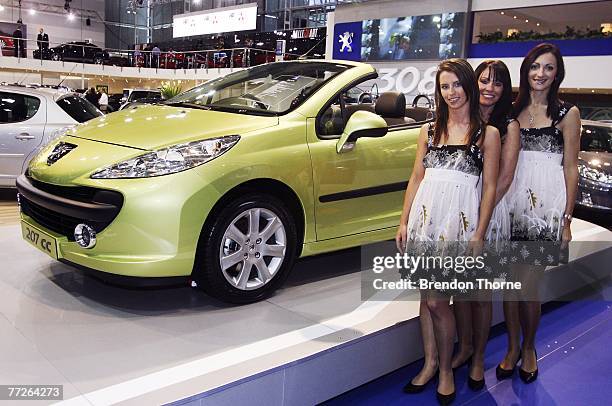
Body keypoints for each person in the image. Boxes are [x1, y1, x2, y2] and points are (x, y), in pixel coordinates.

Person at [396, 59, 500, 404]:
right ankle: (429, 364)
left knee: (440, 300)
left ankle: (444, 371)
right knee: (426, 299)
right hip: (426, 220)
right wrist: (404, 220)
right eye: (444, 86)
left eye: (456, 85)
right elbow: (416, 177)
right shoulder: (428, 130)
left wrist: (479, 232)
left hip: (460, 223)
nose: (451, 93)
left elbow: (488, 189)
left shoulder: (488, 134)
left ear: (469, 86)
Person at [499, 43, 580, 384]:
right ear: (526, 70)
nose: (540, 73)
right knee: (509, 284)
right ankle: (512, 347)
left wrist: (566, 219)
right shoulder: (510, 112)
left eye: (548, 67)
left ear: (557, 73)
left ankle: (529, 347)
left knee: (529, 284)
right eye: (535, 66)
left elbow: (572, 167)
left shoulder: (567, 114)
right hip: (510, 204)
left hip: (545, 209)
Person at [451, 60, 520, 391]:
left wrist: (480, 212)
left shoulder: (509, 126)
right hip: (459, 211)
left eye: (497, 83)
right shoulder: (465, 119)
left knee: (480, 294)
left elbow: (504, 179)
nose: (489, 88)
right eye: (484, 81)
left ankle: (478, 357)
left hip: (489, 216)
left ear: (505, 90)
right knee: (460, 291)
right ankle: (463, 347)